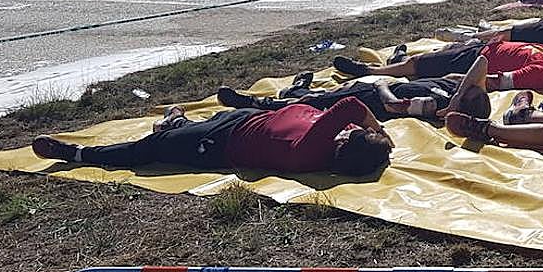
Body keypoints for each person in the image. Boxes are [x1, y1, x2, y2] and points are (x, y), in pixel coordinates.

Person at [31, 95, 393, 176]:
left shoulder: (314, 151)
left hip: (223, 143)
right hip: (249, 118)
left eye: (351, 135)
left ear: (344, 149)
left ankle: (78, 154)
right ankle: (174, 121)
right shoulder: (343, 138)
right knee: (182, 132)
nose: (348, 132)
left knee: (152, 149)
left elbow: (349, 106)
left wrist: (379, 130)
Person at [215, 61, 493, 121]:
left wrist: (382, 87)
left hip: (371, 100)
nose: (470, 87)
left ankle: (256, 103)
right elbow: (481, 65)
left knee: (314, 105)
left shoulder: (437, 106)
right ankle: (297, 89)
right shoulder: (455, 88)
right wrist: (459, 92)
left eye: (471, 92)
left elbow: (393, 106)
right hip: (374, 88)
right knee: (319, 97)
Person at [334, 33, 543, 93]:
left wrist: (461, 79)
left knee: (420, 62)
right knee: (439, 53)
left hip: (474, 60)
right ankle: (398, 64)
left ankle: (370, 70)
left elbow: (497, 82)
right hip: (481, 48)